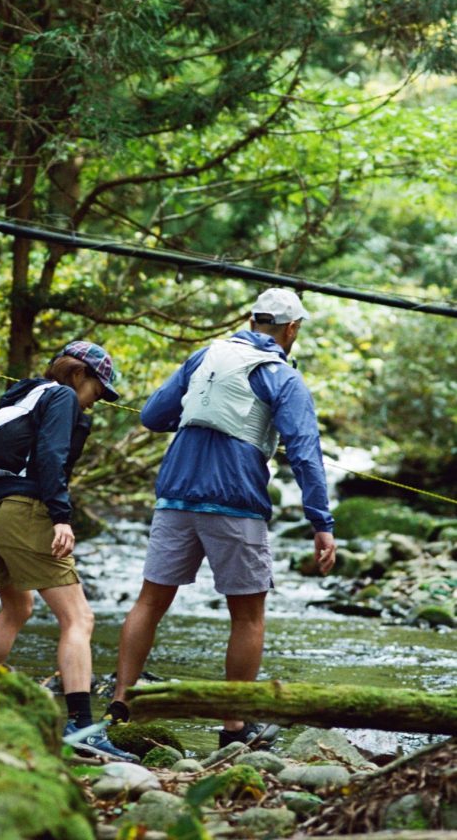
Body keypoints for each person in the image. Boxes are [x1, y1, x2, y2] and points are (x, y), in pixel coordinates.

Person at [105, 288, 337, 748]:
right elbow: (306, 455)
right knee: (247, 616)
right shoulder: (283, 378)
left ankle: (121, 706)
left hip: (175, 495)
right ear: (292, 329)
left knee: (150, 601)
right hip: (235, 501)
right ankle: (234, 727)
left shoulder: (204, 356)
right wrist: (321, 523)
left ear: (253, 320)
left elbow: (153, 415)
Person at [0, 341, 137, 762]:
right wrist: (61, 516)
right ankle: (81, 726)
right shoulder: (62, 395)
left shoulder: (19, 398)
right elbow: (50, 455)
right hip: (26, 512)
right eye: (97, 392)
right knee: (78, 617)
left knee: (16, 610)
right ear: (79, 374)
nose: (94, 403)